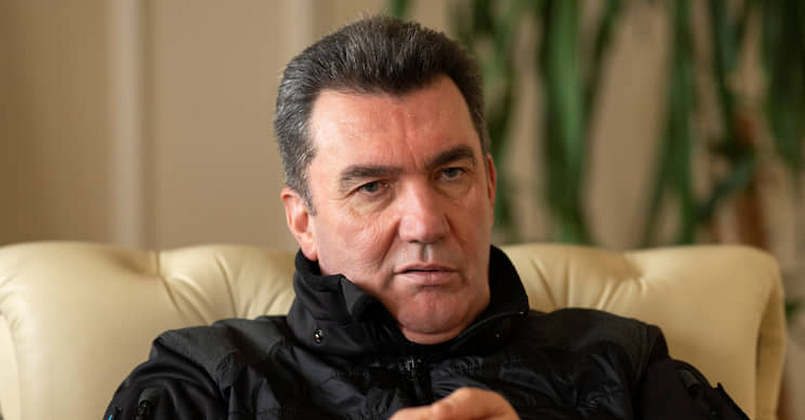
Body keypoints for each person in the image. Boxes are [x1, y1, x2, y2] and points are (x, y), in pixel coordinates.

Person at [105, 16, 748, 419]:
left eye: (450, 174)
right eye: (373, 187)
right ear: (303, 222)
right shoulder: (206, 379)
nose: (426, 223)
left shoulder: (620, 363)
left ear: (488, 183)